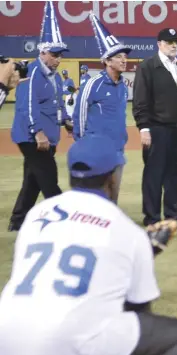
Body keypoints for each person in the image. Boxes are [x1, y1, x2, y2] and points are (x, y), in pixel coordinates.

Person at [0, 134, 177, 355]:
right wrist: (141, 251)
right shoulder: (124, 228)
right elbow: (138, 315)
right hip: (62, 350)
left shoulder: (39, 214)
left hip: (5, 341)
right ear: (113, 177)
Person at [8, 1, 73, 232]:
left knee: (33, 182)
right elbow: (27, 105)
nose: (58, 59)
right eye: (54, 54)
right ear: (42, 52)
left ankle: (17, 221)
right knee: (49, 178)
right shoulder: (32, 73)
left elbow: (57, 103)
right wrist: (39, 133)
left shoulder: (55, 77)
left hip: (48, 136)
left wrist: (66, 121)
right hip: (32, 137)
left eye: (60, 55)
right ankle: (64, 222)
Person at [133, 28, 177, 226]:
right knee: (154, 174)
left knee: (176, 174)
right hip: (157, 128)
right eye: (169, 42)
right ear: (159, 44)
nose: (174, 45)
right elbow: (140, 100)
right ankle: (151, 217)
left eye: (176, 41)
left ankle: (173, 214)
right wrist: (144, 128)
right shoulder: (149, 66)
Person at [73, 12, 132, 204]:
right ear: (107, 61)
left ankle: (109, 231)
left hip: (116, 149)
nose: (124, 60)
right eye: (118, 56)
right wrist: (83, 143)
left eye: (125, 56)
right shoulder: (93, 83)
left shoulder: (122, 85)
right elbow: (80, 114)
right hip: (95, 150)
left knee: (113, 195)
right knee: (93, 198)